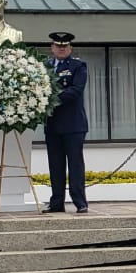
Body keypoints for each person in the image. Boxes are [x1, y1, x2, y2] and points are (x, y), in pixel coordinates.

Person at [43, 31, 89, 213]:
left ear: (70, 48)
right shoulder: (45, 66)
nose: (61, 49)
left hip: (73, 125)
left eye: (65, 46)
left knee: (75, 164)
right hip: (53, 124)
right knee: (55, 165)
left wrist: (51, 97)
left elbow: (76, 90)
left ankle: (80, 202)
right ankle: (56, 202)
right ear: (52, 47)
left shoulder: (78, 66)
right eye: (58, 46)